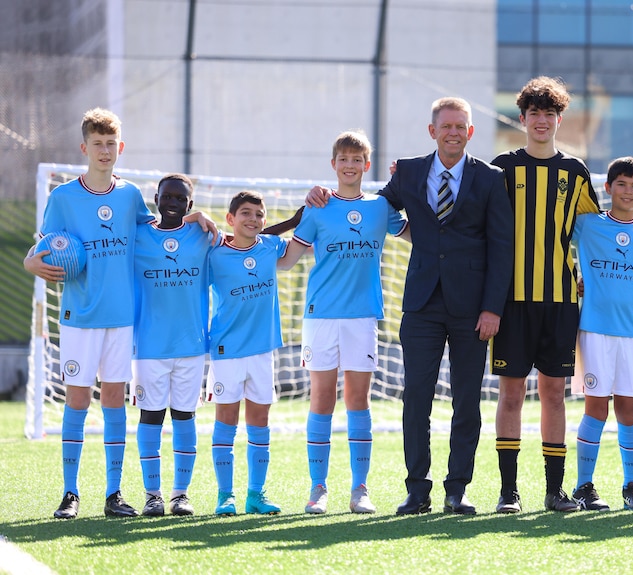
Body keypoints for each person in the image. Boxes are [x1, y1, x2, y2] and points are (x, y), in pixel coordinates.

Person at [307, 97, 514, 514]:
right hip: (420, 304)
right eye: (446, 126)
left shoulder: (490, 178)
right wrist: (324, 194)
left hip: (473, 309)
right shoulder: (409, 172)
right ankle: (417, 489)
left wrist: (492, 308)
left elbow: (502, 246)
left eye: (461, 127)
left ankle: (458, 488)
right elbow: (367, 208)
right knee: (415, 397)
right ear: (432, 130)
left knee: (466, 400)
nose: (454, 132)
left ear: (470, 132)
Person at [23, 108, 214, 519]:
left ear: (120, 147)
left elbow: (161, 226)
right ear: (84, 148)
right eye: (98, 144)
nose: (105, 151)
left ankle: (113, 494)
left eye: (112, 144)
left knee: (113, 400)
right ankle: (70, 493)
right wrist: (29, 262)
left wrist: (196, 215)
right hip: (79, 316)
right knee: (77, 400)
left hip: (123, 318)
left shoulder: (129, 196)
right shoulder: (62, 197)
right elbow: (43, 247)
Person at [273, 131, 408, 515]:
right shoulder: (317, 206)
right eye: (343, 159)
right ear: (333, 164)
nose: (350, 165)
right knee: (321, 400)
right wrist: (240, 247)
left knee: (358, 401)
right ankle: (318, 489)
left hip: (362, 317)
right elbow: (287, 260)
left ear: (368, 165)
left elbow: (418, 235)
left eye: (357, 159)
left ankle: (359, 489)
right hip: (320, 316)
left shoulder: (381, 207)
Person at [490, 76, 600, 513]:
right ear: (522, 118)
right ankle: (508, 491)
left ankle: (555, 491)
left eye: (549, 113)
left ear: (559, 119)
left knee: (554, 393)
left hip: (559, 301)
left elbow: (597, 233)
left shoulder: (575, 173)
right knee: (511, 394)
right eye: (533, 113)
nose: (541, 120)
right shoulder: (501, 168)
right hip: (511, 302)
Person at [570, 156, 633, 512]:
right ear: (607, 188)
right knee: (596, 408)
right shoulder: (588, 225)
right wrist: (573, 271)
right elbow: (553, 240)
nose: (628, 191)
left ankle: (631, 486)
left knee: (629, 409)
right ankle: (583, 486)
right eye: (621, 184)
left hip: (630, 333)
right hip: (593, 331)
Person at [132, 173, 217, 517]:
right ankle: (152, 494)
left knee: (185, 417)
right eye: (167, 197)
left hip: (192, 346)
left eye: (180, 200)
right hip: (149, 347)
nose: (172, 203)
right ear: (156, 198)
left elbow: (244, 241)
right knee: (150, 416)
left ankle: (180, 494)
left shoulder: (203, 236)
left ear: (190, 205)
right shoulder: (137, 236)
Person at [206, 190, 289, 516]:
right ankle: (225, 495)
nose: (252, 219)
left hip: (261, 351)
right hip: (226, 349)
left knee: (260, 421)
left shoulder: (270, 246)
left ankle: (256, 494)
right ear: (230, 219)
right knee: (226, 420)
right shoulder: (213, 253)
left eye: (258, 214)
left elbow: (301, 241)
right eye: (245, 213)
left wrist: (305, 214)